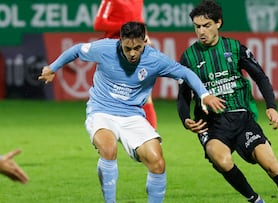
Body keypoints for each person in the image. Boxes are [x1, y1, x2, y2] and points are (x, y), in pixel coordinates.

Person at [38, 21, 225, 203]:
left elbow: (185, 73)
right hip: (101, 111)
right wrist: (52, 68)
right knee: (108, 149)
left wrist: (204, 94)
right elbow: (77, 50)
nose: (133, 53)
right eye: (128, 48)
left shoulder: (155, 59)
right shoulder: (105, 49)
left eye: (137, 48)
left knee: (157, 162)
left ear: (145, 41)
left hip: (133, 116)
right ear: (120, 41)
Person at [177, 1, 278, 203]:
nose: (201, 31)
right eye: (197, 26)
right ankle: (255, 199)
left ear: (218, 23)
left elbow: (260, 77)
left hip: (242, 119)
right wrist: (185, 119)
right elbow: (183, 95)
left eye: (206, 25)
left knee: (271, 165)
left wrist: (271, 106)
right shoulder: (188, 57)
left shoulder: (235, 48)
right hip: (212, 125)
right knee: (221, 159)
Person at [94, 0, 157, 129]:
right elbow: (99, 23)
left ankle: (153, 136)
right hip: (114, 50)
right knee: (113, 95)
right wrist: (126, 27)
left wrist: (145, 34)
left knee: (145, 95)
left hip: (134, 48)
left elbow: (138, 19)